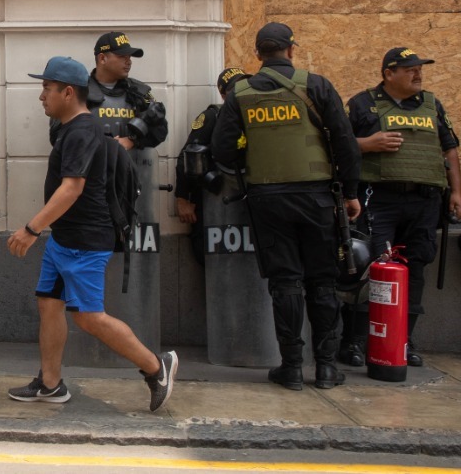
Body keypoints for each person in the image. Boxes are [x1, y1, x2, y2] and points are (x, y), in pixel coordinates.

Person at [6, 56, 177, 412]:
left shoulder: (81, 131)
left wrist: (31, 229)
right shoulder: (72, 129)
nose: (41, 96)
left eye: (47, 88)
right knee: (49, 303)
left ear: (68, 92)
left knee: (88, 316)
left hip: (84, 242)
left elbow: (72, 188)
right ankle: (51, 384)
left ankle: (155, 367)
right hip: (65, 239)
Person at [212, 23, 361, 391]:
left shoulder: (240, 93)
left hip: (267, 198)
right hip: (317, 196)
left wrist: (254, 163)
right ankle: (326, 368)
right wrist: (350, 192)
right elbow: (345, 141)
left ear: (258, 54)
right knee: (322, 281)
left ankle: (291, 367)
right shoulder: (317, 85)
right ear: (291, 50)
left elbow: (222, 150)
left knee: (285, 282)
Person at [341, 47, 461, 367]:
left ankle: (403, 341)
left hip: (424, 201)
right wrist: (368, 144)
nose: (418, 74)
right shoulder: (363, 104)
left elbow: (449, 150)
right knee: (371, 267)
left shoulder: (433, 104)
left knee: (415, 268)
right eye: (410, 69)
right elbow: (338, 145)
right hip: (380, 198)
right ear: (388, 74)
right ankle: (355, 341)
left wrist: (456, 193)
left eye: (419, 68)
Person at [175, 67, 250, 264]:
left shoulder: (255, 115)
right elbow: (187, 157)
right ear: (224, 95)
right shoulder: (212, 116)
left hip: (248, 197)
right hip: (214, 198)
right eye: (235, 89)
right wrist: (182, 199)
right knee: (209, 255)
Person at [83, 31, 167, 150]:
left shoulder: (139, 92)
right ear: (102, 58)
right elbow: (60, 133)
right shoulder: (79, 92)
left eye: (129, 57)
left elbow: (160, 129)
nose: (129, 61)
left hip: (131, 161)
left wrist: (132, 141)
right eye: (122, 56)